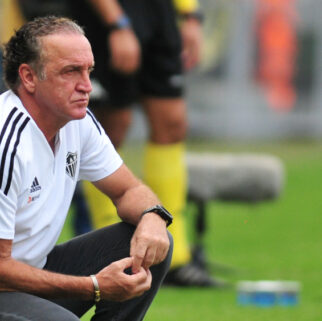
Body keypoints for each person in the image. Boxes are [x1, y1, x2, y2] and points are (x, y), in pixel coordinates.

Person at [0, 16, 173, 321]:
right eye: (70, 72)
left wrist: (153, 217)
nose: (87, 86)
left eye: (88, 71)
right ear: (28, 77)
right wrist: (95, 287)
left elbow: (128, 190)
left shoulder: (77, 121)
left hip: (22, 276)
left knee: (152, 245)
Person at [67, 0, 218, 286]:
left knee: (172, 124)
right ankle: (112, 250)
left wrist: (190, 15)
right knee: (111, 127)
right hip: (111, 17)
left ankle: (177, 255)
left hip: (158, 15)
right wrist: (117, 23)